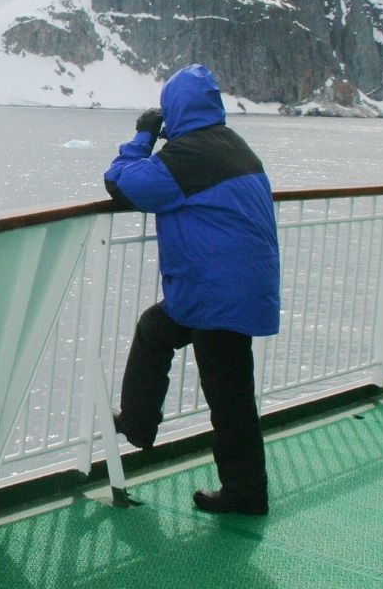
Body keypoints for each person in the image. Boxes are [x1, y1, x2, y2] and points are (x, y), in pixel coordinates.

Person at [103, 63, 280, 516]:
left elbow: (121, 185)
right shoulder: (232, 146)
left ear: (175, 110)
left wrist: (142, 137)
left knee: (229, 397)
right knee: (161, 334)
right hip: (236, 286)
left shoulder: (188, 157)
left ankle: (243, 493)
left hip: (214, 294)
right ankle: (141, 425)